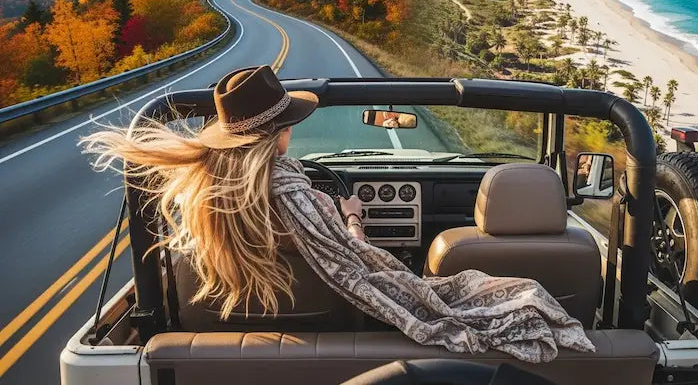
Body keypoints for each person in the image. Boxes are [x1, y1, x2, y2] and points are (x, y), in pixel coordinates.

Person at [83, 65, 594, 363]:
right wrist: (351, 218)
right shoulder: (306, 202)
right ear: (280, 135)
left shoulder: (202, 214)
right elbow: (360, 270)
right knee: (502, 294)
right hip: (345, 348)